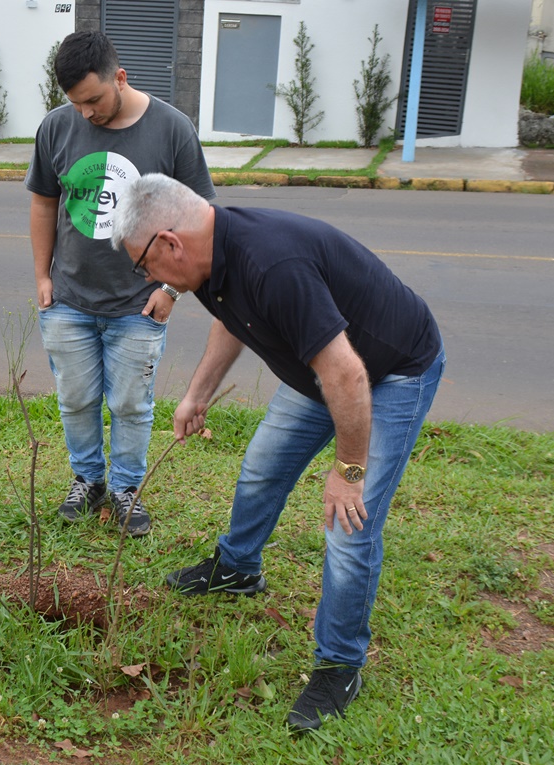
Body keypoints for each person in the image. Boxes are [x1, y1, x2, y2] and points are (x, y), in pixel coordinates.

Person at [112, 174, 445, 732]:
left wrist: (348, 469)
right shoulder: (214, 257)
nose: (146, 277)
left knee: (349, 522)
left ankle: (340, 664)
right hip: (321, 370)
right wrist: (197, 395)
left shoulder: (271, 264)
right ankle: (237, 569)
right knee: (262, 468)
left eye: (142, 265)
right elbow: (232, 323)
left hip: (387, 373)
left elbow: (346, 374)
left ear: (170, 242)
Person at [25, 32, 216, 537]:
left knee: (131, 403)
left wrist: (172, 290)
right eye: (75, 103)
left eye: (94, 100)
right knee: (76, 399)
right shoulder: (56, 128)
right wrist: (42, 276)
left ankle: (127, 488)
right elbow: (44, 202)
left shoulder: (172, 129)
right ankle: (86, 481)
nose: (86, 113)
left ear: (121, 77)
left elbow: (203, 220)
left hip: (139, 303)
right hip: (68, 299)